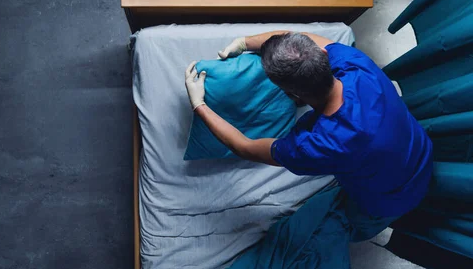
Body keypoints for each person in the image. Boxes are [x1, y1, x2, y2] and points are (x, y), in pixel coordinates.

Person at [184, 31, 433, 241]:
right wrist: (244, 42)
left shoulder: (316, 146)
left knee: (352, 226)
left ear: (291, 94)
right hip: (422, 154)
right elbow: (302, 39)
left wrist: (200, 105)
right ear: (324, 55)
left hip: (389, 202)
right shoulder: (356, 63)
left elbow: (245, 146)